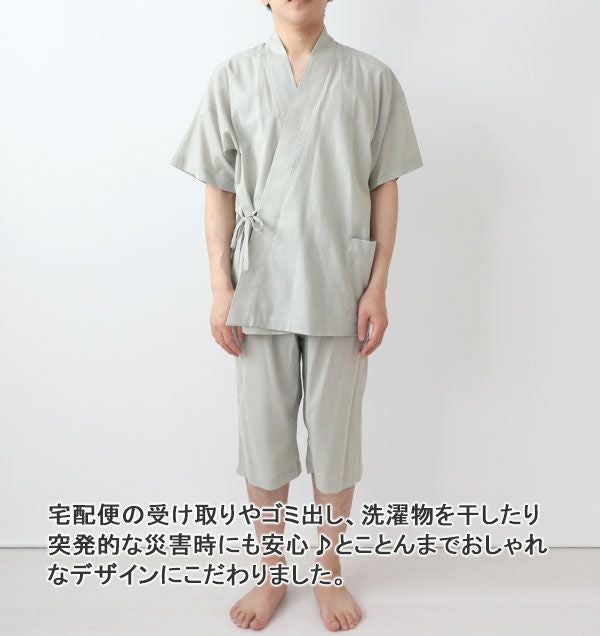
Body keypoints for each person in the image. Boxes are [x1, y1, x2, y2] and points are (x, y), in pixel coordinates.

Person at [170, 0, 423, 630]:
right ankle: (271, 571)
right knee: (264, 438)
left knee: (335, 437)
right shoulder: (232, 77)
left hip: (341, 279)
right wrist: (220, 287)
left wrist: (378, 285)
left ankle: (329, 568)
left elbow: (385, 185)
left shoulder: (372, 78)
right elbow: (219, 189)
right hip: (259, 283)